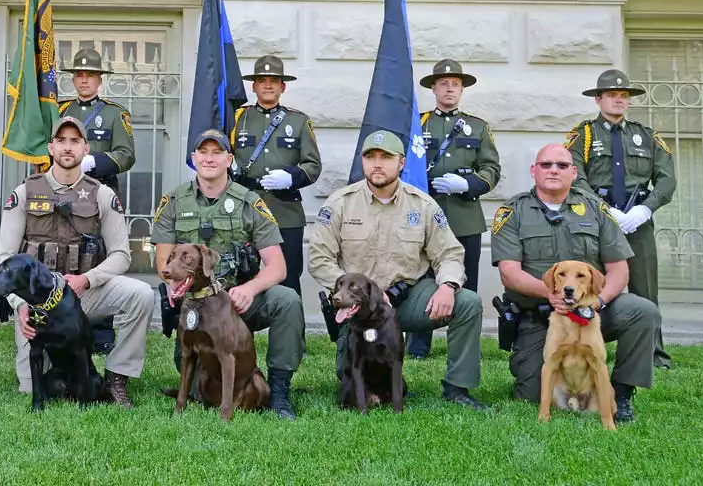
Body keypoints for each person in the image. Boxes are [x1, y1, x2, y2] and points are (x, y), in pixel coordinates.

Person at [309, 129, 488, 410]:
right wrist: (356, 294)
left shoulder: (423, 205)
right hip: (358, 308)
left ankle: (457, 388)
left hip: (408, 299)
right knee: (348, 376)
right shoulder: (340, 203)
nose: (377, 164)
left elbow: (450, 253)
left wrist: (448, 286)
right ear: (363, 162)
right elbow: (319, 259)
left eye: (386, 157)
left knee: (467, 303)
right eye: (370, 157)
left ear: (401, 163)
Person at [492, 143, 660, 423]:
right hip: (541, 319)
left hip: (592, 314)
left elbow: (619, 269)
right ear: (534, 171)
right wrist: (549, 294)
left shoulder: (595, 209)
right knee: (531, 393)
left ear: (573, 173)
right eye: (546, 165)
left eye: (561, 165)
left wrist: (599, 301)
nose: (553, 170)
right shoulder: (513, 212)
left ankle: (620, 393)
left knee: (643, 311)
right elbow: (509, 272)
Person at [0, 116, 152, 408]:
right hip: (38, 302)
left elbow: (121, 255)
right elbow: (5, 259)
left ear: (86, 149)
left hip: (83, 293)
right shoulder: (25, 192)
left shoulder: (102, 194)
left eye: (75, 142)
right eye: (62, 141)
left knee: (141, 294)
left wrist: (86, 279)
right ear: (51, 148)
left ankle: (117, 377)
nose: (68, 148)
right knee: (31, 389)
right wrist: (21, 305)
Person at [152, 129, 304, 420]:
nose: (209, 159)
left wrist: (250, 289)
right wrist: (176, 286)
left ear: (229, 159)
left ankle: (280, 393)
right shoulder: (173, 201)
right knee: (200, 387)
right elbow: (164, 263)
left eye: (217, 153)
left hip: (239, 300)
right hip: (198, 304)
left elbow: (277, 266)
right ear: (193, 158)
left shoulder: (250, 202)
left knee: (287, 300)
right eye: (203, 152)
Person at [565, 68, 676, 368]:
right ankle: (583, 344)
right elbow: (574, 176)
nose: (618, 100)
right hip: (598, 221)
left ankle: (654, 353)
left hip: (637, 221)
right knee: (591, 285)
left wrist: (646, 209)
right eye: (612, 95)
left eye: (623, 96)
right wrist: (603, 209)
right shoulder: (583, 134)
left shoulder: (647, 136)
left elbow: (666, 179)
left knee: (645, 287)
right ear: (598, 99)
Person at [409, 58, 502, 359]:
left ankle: (463, 343)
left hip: (464, 216)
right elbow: (406, 166)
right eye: (444, 84)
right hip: (424, 216)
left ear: (462, 90)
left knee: (466, 282)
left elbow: (491, 169)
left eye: (455, 84)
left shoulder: (478, 126)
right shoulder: (418, 123)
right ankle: (419, 345)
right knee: (421, 279)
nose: (450, 89)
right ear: (433, 88)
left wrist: (469, 185)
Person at [230, 55, 322, 300]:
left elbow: (313, 166)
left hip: (285, 212)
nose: (268, 85)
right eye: (262, 80)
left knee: (289, 278)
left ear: (283, 86)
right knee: (241, 275)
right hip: (244, 209)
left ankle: (290, 338)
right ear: (254, 86)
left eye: (274, 80)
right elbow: (222, 157)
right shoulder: (238, 118)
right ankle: (240, 337)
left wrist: (291, 178)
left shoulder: (298, 121)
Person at [58, 47, 135, 195]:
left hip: (100, 189)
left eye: (90, 75)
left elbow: (126, 155)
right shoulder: (60, 111)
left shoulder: (115, 113)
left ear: (99, 80)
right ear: (73, 80)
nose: (84, 80)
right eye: (79, 75)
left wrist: (93, 162)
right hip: (63, 189)